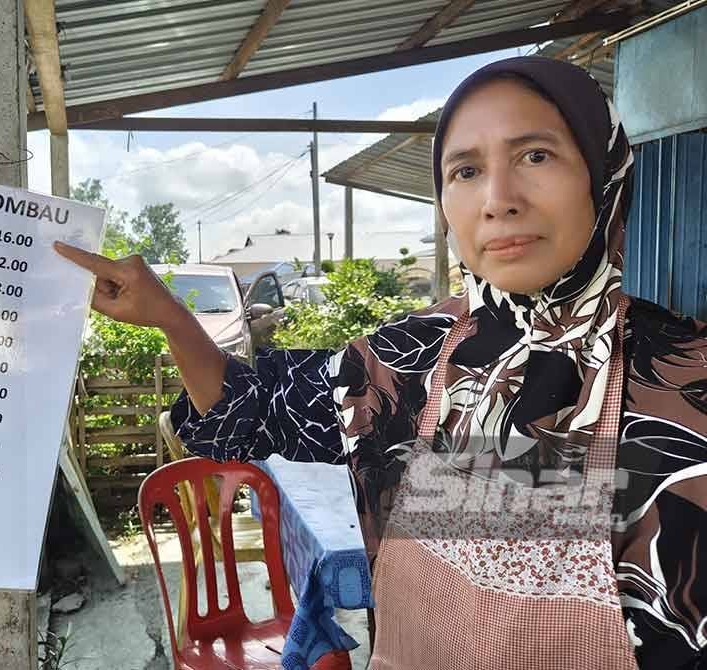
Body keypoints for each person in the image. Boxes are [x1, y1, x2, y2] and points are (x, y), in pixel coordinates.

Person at [54, 56, 706, 670]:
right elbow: (244, 415)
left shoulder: (687, 376)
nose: (498, 199)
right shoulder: (405, 361)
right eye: (466, 170)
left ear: (602, 171)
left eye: (536, 155)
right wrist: (171, 316)